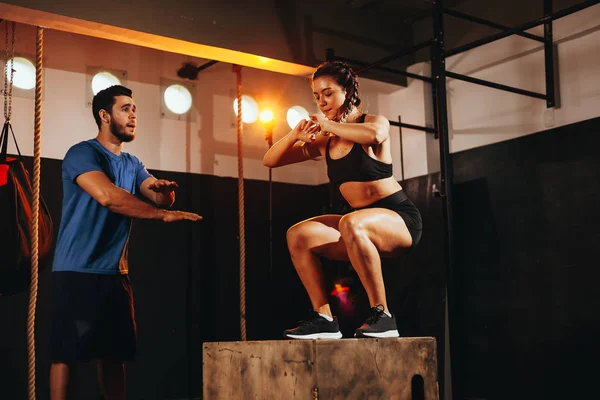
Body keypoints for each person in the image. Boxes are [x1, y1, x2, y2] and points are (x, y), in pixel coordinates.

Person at [49, 85, 202, 400]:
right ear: (105, 116)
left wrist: (164, 190)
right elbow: (109, 197)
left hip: (115, 276)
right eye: (125, 108)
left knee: (114, 354)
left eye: (135, 109)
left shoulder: (132, 163)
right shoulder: (83, 153)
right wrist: (160, 216)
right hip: (76, 271)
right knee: (66, 353)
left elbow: (159, 197)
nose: (133, 115)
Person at [263, 61, 422, 339]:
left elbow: (376, 135)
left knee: (352, 222)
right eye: (316, 96)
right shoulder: (326, 141)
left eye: (328, 93)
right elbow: (270, 160)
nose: (322, 102)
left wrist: (329, 125)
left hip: (399, 220)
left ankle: (383, 315)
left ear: (347, 91)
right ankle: (324, 318)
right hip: (356, 225)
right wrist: (293, 136)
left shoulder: (371, 122)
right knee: (298, 235)